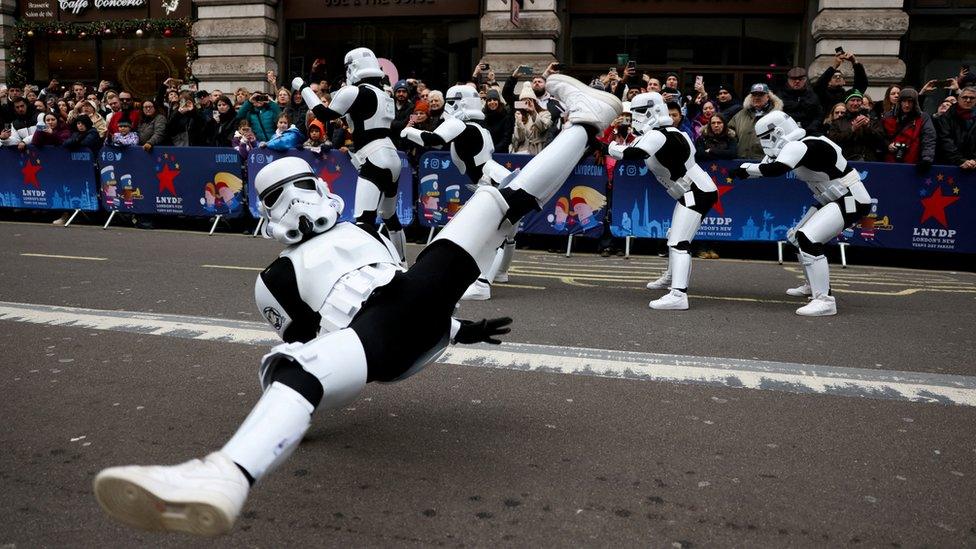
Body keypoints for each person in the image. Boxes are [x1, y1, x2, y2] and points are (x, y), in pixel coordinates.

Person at [92, 73, 622, 537]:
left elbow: (399, 291)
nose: (295, 198)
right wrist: (304, 400)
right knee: (291, 367)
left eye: (302, 184)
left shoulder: (362, 232)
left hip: (414, 313)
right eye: (280, 195)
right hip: (372, 339)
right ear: (267, 213)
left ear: (321, 187)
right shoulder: (275, 277)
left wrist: (456, 329)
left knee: (497, 202)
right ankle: (228, 471)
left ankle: (584, 124)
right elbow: (309, 343)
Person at [732, 111, 872, 316]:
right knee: (797, 238)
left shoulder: (802, 145)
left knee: (809, 239)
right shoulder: (802, 145)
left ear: (777, 132)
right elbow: (768, 166)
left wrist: (746, 169)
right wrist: (748, 171)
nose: (764, 144)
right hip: (831, 199)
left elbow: (775, 169)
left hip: (851, 199)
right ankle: (812, 285)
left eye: (765, 138)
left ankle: (824, 300)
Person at [401, 85, 517, 301]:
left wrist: (408, 131)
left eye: (450, 101)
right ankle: (500, 273)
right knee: (506, 233)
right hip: (501, 179)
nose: (447, 106)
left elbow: (432, 139)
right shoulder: (479, 129)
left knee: (490, 235)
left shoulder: (461, 125)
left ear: (459, 102)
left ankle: (482, 284)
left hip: (490, 183)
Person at [295, 47, 408, 263]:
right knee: (388, 215)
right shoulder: (384, 95)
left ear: (353, 67)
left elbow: (323, 113)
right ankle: (401, 262)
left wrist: (302, 87)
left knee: (364, 220)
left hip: (374, 156)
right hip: (390, 155)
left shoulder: (356, 91)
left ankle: (373, 264)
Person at [608, 92, 719, 311]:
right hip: (693, 190)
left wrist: (611, 147)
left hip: (695, 191)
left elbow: (635, 153)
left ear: (652, 111)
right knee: (674, 237)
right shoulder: (674, 133)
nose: (635, 118)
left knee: (678, 242)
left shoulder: (658, 135)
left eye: (638, 113)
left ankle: (678, 294)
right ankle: (671, 278)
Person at [880, 87, 936, 173]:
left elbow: (928, 139)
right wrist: (887, 145)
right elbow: (880, 136)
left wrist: (927, 159)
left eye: (910, 102)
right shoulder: (888, 116)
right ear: (900, 102)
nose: (907, 105)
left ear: (915, 103)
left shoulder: (923, 118)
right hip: (889, 163)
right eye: (904, 101)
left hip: (913, 163)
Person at [728, 83, 783, 159]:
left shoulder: (777, 116)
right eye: (754, 95)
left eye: (760, 95)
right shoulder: (741, 114)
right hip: (741, 159)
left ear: (768, 97)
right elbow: (729, 132)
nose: (757, 97)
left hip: (765, 161)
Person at [826, 91, 885, 161]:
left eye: (858, 100)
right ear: (846, 102)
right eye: (852, 100)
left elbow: (881, 139)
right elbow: (833, 141)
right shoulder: (837, 122)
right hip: (846, 161)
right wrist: (852, 129)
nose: (856, 103)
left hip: (868, 161)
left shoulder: (871, 120)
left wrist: (868, 127)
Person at [934, 86, 976, 170]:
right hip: (948, 165)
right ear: (959, 99)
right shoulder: (946, 117)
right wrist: (960, 160)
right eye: (965, 97)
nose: (968, 100)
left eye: (972, 98)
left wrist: (974, 161)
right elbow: (945, 140)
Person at [779, 67, 823, 135]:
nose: (797, 81)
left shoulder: (812, 95)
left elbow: (818, 115)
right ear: (788, 80)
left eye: (800, 79)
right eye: (793, 79)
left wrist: (811, 129)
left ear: (805, 80)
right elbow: (778, 116)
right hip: (787, 133)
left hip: (809, 133)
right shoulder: (780, 96)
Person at [510, 84, 552, 154]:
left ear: (534, 101)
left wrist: (533, 112)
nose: (526, 104)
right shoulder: (520, 116)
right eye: (523, 102)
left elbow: (542, 128)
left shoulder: (545, 113)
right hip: (522, 151)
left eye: (528, 101)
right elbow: (519, 139)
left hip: (537, 150)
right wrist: (519, 122)